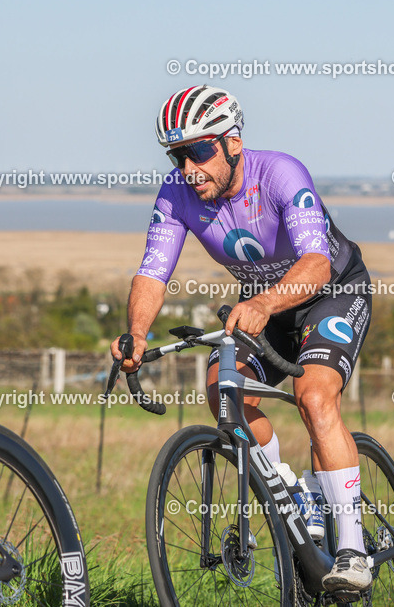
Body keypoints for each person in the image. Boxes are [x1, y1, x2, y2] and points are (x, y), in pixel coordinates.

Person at [112, 85, 375, 592]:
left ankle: (352, 550)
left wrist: (262, 303)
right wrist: (136, 334)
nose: (189, 168)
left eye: (199, 151)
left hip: (330, 292)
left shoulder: (278, 173)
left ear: (232, 142)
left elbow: (316, 263)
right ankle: (289, 492)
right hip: (265, 307)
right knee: (222, 390)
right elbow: (152, 272)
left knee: (315, 397)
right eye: (177, 154)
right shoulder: (176, 194)